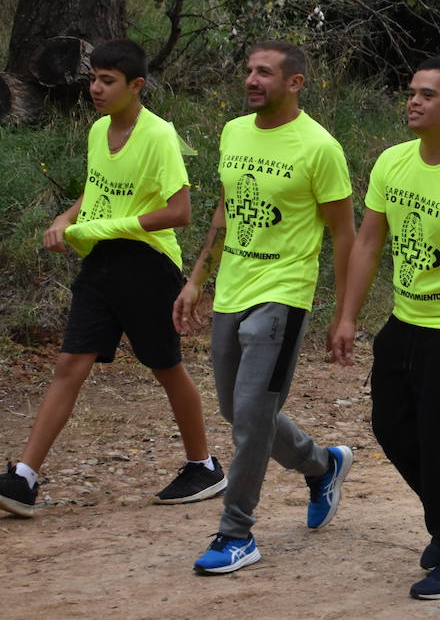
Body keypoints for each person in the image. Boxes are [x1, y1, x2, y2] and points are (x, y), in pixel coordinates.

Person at [0, 41, 224, 519]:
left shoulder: (159, 136)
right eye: (93, 79)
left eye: (107, 81)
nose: (96, 90)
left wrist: (106, 227)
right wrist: (65, 217)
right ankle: (24, 477)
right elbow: (94, 191)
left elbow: (179, 211)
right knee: (69, 366)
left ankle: (203, 465)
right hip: (100, 266)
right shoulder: (99, 130)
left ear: (135, 86)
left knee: (165, 366)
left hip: (147, 266)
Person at [173, 39, 356, 575]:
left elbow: (345, 235)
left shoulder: (320, 148)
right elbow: (227, 211)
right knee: (238, 411)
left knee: (251, 419)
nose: (252, 80)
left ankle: (236, 534)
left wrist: (344, 315)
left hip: (284, 292)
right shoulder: (234, 132)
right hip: (232, 287)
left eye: (265, 73)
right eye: (249, 71)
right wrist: (196, 279)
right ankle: (322, 465)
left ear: (295, 82)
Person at [329, 58, 440, 601]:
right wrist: (348, 316)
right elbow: (368, 243)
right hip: (403, 323)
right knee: (389, 427)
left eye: (428, 94)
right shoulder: (393, 163)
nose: (414, 102)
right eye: (411, 92)